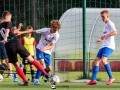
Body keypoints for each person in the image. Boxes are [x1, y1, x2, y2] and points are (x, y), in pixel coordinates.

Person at [1, 11, 50, 86]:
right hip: (16, 43)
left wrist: (18, 28)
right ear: (7, 17)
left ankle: (25, 81)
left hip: (8, 46)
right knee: (31, 60)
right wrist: (5, 37)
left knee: (16, 65)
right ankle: (45, 74)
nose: (11, 19)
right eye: (10, 17)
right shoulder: (8, 22)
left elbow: (12, 32)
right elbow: (7, 31)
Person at [86, 10, 117, 85]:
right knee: (95, 61)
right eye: (101, 17)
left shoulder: (110, 23)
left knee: (103, 60)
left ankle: (111, 78)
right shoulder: (105, 25)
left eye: (103, 16)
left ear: (107, 16)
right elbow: (105, 35)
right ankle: (93, 80)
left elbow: (115, 32)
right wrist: (100, 39)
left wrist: (105, 36)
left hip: (109, 46)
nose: (102, 18)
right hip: (103, 46)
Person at [33, 20, 61, 85]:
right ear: (51, 27)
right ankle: (36, 80)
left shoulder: (57, 35)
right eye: (54, 30)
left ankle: (36, 76)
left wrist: (45, 48)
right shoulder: (45, 30)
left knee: (49, 69)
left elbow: (51, 45)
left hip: (47, 51)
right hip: (39, 48)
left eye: (56, 30)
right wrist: (21, 32)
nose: (55, 31)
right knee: (42, 64)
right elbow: (33, 31)